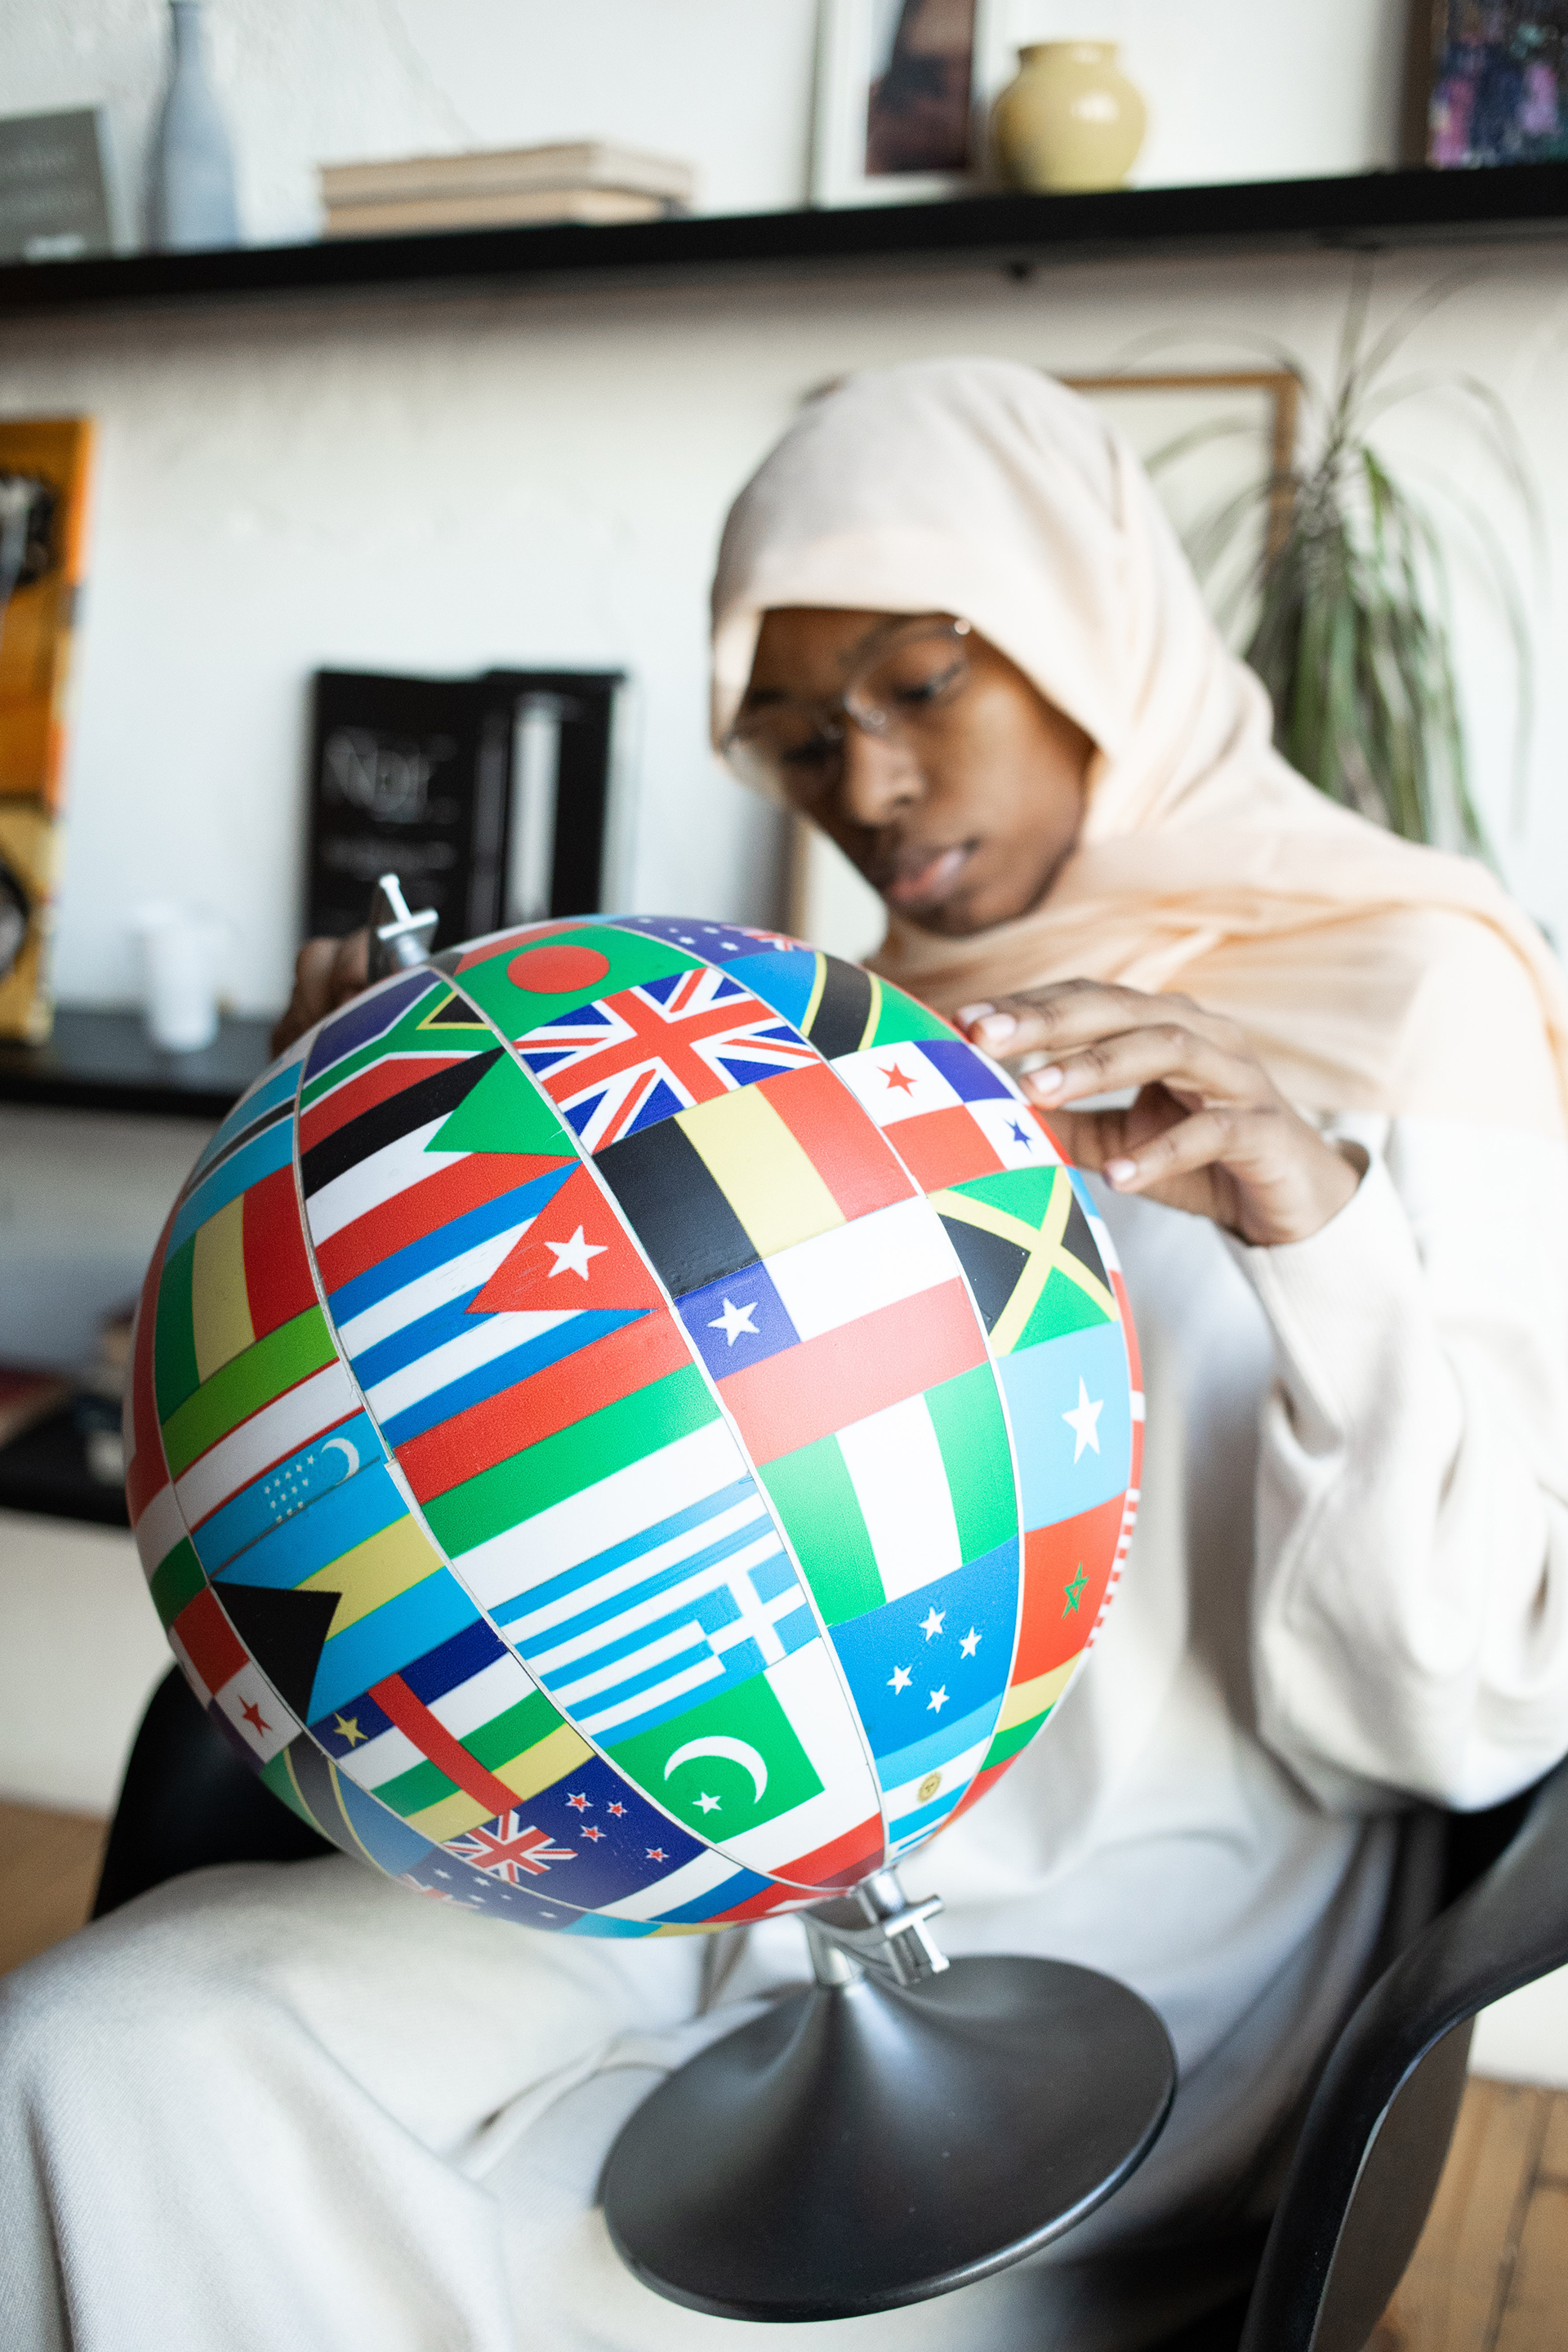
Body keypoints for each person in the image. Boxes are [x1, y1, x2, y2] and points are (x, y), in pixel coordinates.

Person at [5, 359, 1566, 2352]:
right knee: (96, 2066)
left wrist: (1315, 1225)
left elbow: (1469, 1709)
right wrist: (370, 1172)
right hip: (681, 1851)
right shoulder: (813, 1030)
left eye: (925, 686)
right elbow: (621, 1447)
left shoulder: (1415, 987)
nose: (873, 788)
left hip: (1117, 1951)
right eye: (803, 734)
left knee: (536, 2282)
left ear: (1095, 632)